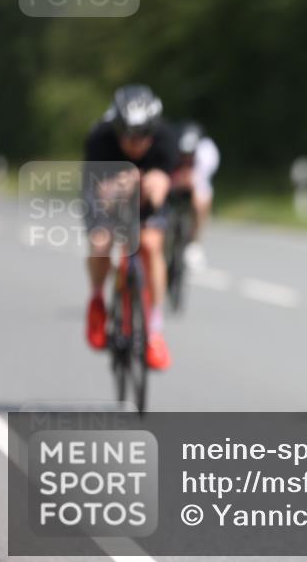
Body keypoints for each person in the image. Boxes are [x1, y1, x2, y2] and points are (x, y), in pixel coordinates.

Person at [84, 84, 178, 370]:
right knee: (101, 241)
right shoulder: (100, 138)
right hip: (107, 190)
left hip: (146, 194)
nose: (136, 143)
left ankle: (155, 330)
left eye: (143, 137)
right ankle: (98, 300)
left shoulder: (165, 137)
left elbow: (160, 190)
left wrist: (146, 185)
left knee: (150, 243)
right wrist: (120, 186)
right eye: (129, 137)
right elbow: (101, 194)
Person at [170, 120, 220, 269]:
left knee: (201, 202)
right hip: (175, 181)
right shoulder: (171, 146)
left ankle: (195, 242)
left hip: (196, 184)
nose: (186, 158)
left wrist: (188, 180)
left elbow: (200, 184)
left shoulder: (207, 153)